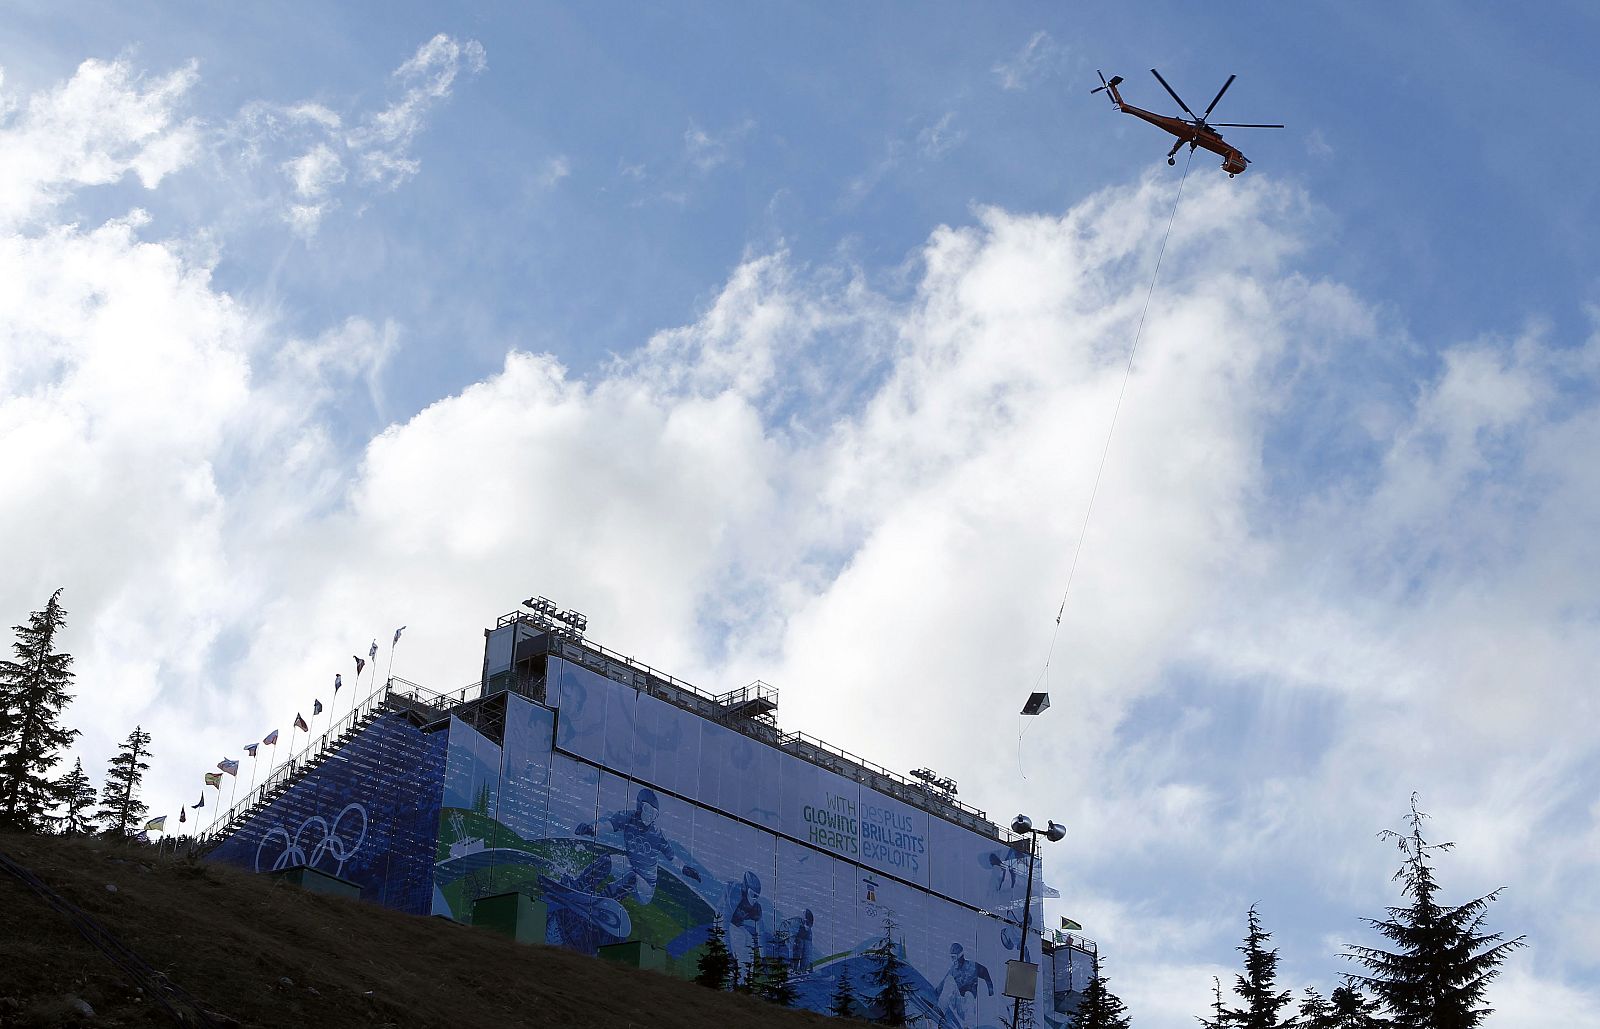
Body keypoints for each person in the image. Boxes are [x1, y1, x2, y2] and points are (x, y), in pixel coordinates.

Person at [575, 787, 698, 905]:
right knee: (607, 860)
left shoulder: (657, 834)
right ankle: (580, 885)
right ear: (640, 806)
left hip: (646, 886)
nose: (649, 816)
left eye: (654, 814)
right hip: (630, 868)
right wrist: (591, 829)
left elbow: (672, 857)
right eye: (647, 810)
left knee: (632, 877)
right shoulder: (628, 817)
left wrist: (685, 869)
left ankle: (602, 901)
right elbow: (609, 825)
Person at [937, 942, 994, 1029]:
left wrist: (990, 989)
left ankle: (969, 1026)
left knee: (969, 995)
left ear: (960, 956)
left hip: (967, 1007)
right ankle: (941, 1010)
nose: (953, 960)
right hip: (957, 1002)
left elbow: (985, 971)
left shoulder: (972, 966)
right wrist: (932, 994)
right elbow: (943, 983)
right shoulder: (953, 970)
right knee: (949, 980)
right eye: (951, 957)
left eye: (954, 957)